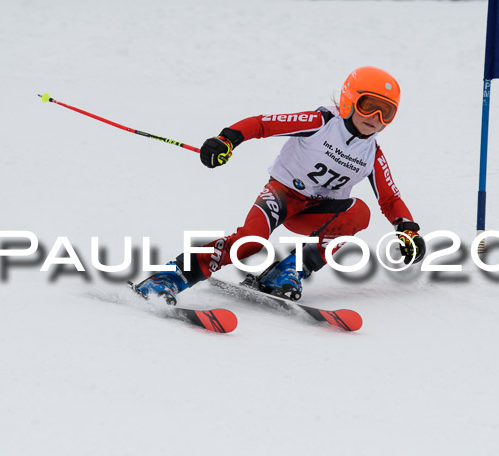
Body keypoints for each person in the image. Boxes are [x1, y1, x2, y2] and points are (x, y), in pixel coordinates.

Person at [133, 66, 426, 305]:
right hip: (282, 194)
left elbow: (390, 199)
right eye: (368, 107)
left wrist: (407, 229)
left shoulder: (371, 154)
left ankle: (287, 272)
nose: (375, 119)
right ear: (350, 100)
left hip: (316, 212)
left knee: (359, 211)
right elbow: (263, 124)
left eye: (385, 113)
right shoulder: (320, 121)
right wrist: (227, 139)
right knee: (249, 243)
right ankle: (168, 278)